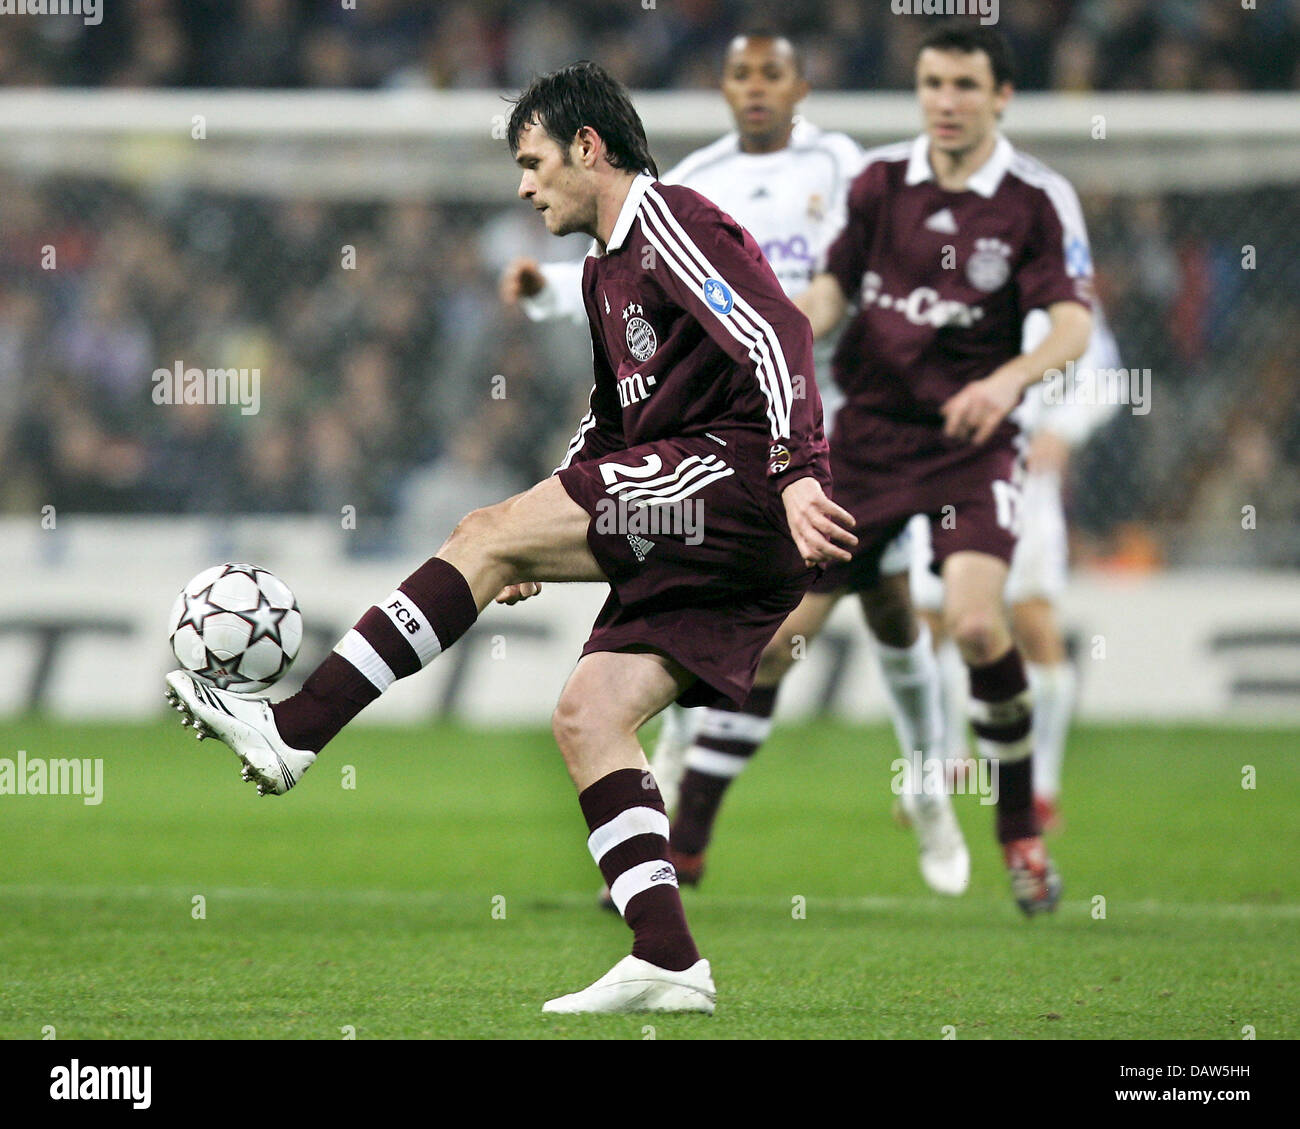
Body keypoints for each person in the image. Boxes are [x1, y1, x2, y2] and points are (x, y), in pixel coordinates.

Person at [164, 61, 854, 1014]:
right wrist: (545, 518)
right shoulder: (608, 268)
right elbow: (614, 425)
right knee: (588, 715)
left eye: (533, 163)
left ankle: (294, 729)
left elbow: (780, 335)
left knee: (483, 534)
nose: (523, 187)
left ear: (588, 147)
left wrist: (796, 469)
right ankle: (667, 955)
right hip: (708, 516)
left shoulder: (673, 223)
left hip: (735, 485)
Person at [501, 32, 968, 898]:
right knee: (784, 635)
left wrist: (805, 333)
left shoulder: (848, 169)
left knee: (895, 610)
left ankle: (930, 778)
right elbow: (636, 292)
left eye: (773, 73)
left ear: (802, 85)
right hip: (754, 442)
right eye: (740, 74)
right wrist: (540, 301)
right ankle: (678, 799)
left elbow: (863, 288)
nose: (755, 88)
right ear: (721, 88)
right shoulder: (698, 181)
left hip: (857, 423)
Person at [677, 23, 1095, 916]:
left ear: (1001, 97)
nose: (945, 101)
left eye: (965, 87)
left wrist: (1009, 378)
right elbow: (829, 292)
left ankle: (1020, 830)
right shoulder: (880, 184)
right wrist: (775, 337)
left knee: (979, 628)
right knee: (782, 643)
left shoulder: (1034, 198)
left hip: (972, 446)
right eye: (933, 84)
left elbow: (1073, 324)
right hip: (866, 444)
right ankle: (689, 842)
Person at [908, 304, 1123, 833]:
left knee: (1033, 624)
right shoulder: (941, 281)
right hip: (945, 474)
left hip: (1023, 482)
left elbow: (1106, 377)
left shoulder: (1057, 295)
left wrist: (1065, 430)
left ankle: (1041, 789)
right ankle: (944, 762)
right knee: (931, 621)